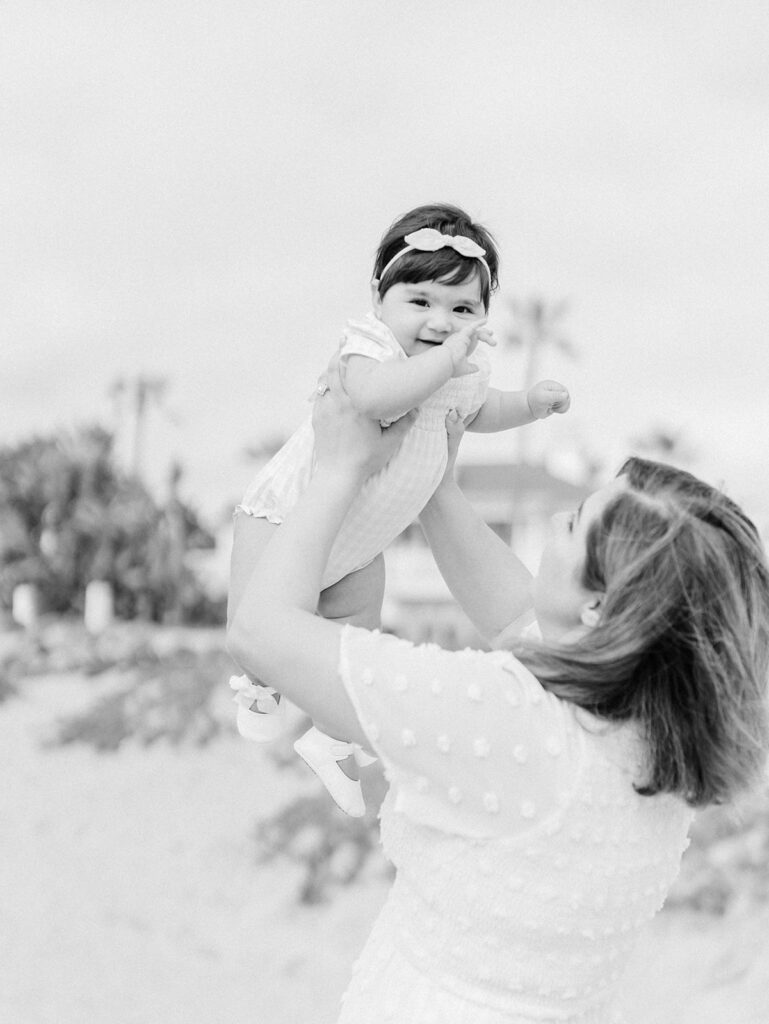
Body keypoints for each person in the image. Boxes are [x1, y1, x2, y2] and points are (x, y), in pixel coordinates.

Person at [227, 361, 769, 1024]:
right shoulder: (658, 740)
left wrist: (339, 468)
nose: (552, 530)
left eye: (571, 524)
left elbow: (260, 631)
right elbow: (523, 618)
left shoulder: (514, 719)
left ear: (599, 606)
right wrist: (432, 483)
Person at [228, 203, 569, 817]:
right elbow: (373, 397)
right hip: (288, 518)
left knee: (359, 636)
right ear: (380, 300)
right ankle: (260, 691)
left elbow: (481, 409)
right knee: (262, 625)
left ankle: (333, 739)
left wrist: (529, 403)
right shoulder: (370, 349)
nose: (442, 323)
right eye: (422, 302)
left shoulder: (462, 374)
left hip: (359, 542)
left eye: (463, 309)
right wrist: (446, 361)